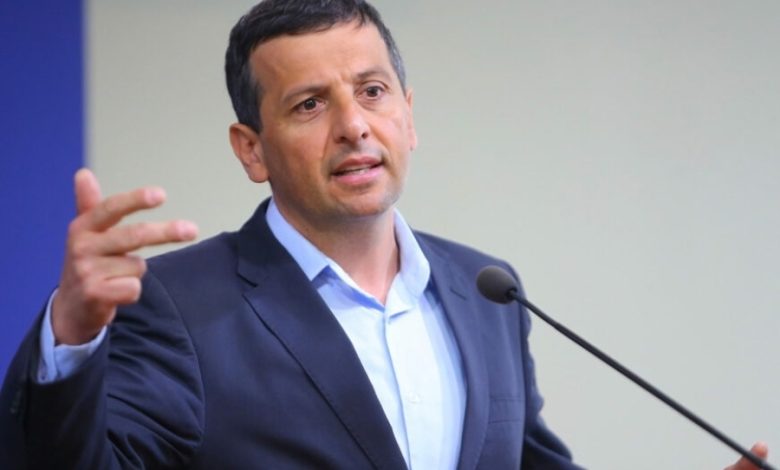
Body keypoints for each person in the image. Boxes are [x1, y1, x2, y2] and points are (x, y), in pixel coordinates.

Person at [0, 1, 769, 468]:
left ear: (408, 113)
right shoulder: (176, 304)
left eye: (371, 91)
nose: (354, 125)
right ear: (251, 150)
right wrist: (72, 335)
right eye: (309, 105)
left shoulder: (486, 290)